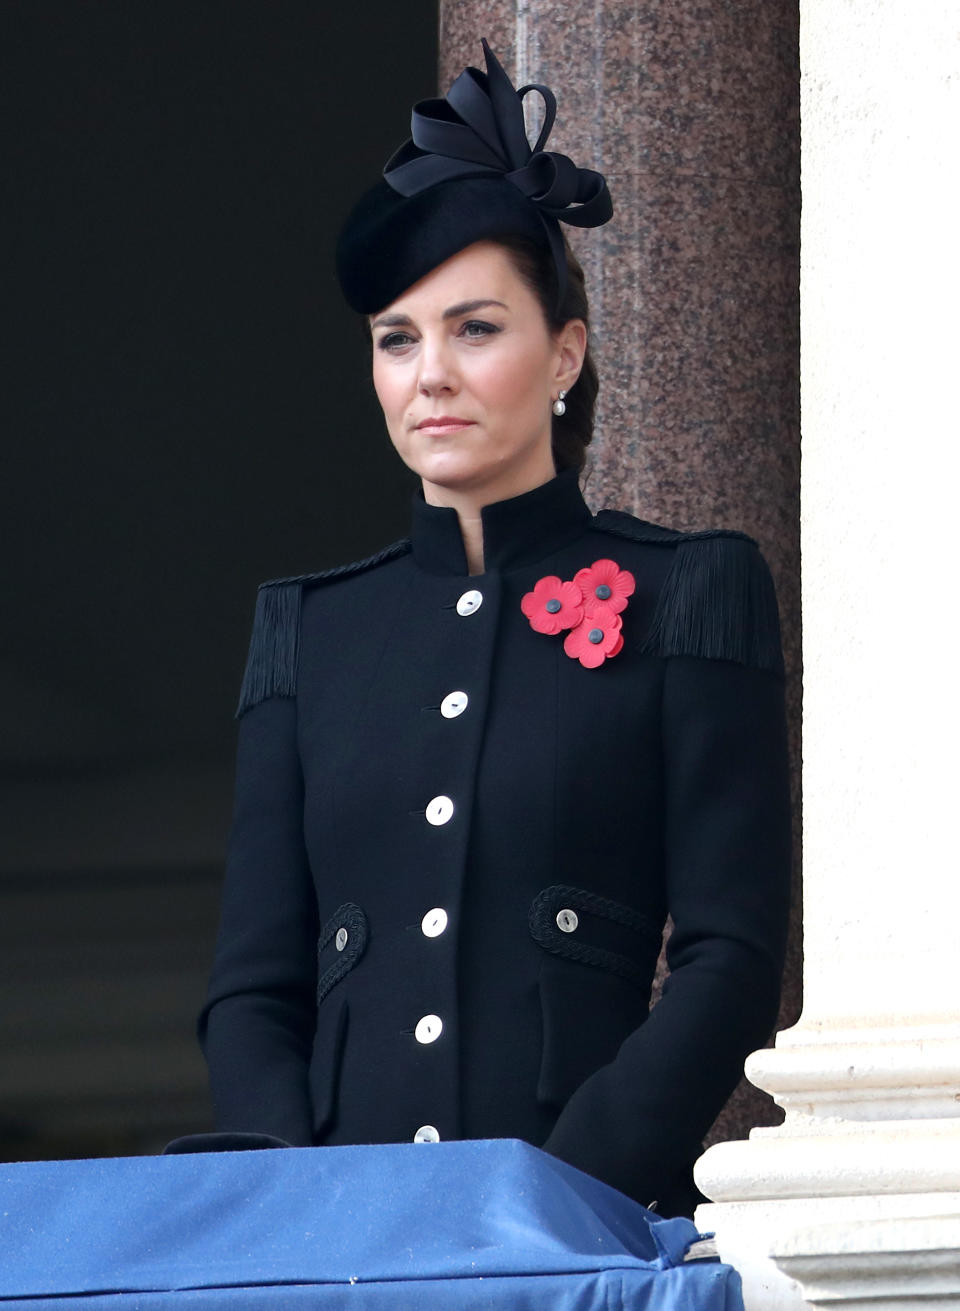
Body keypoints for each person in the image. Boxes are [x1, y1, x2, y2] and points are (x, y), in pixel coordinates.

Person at [198, 41, 791, 1218]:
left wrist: (559, 1195)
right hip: (350, 1250)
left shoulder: (690, 592)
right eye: (397, 339)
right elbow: (255, 990)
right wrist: (304, 1203)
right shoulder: (311, 633)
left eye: (475, 330)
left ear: (563, 354)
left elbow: (728, 963)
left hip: (585, 1227)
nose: (431, 377)